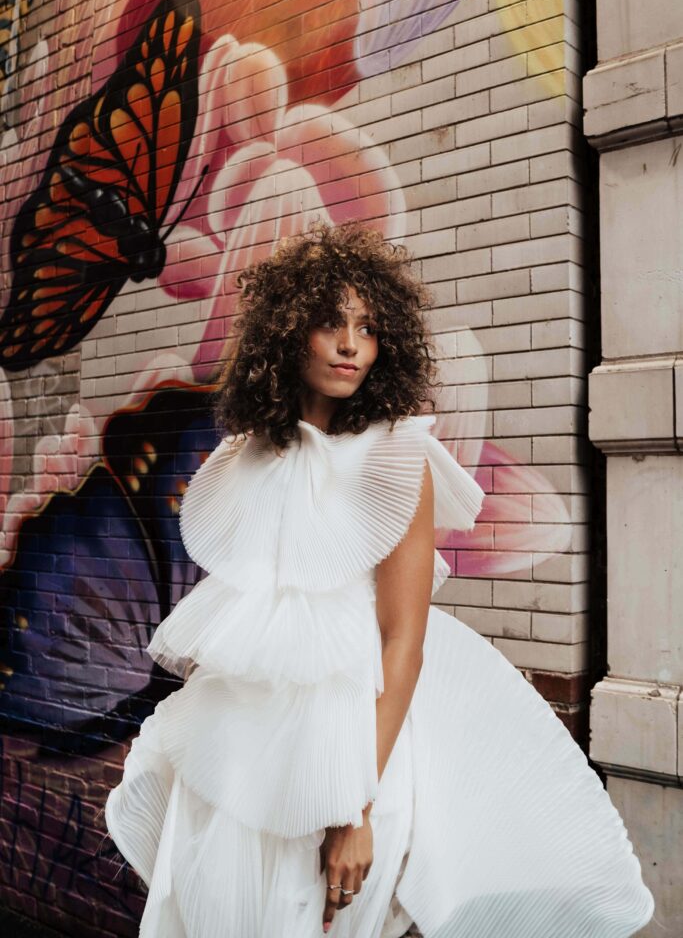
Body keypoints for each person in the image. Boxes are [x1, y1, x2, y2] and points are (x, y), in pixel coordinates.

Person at [105, 220, 655, 938]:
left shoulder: (397, 459)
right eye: (330, 323)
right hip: (232, 760)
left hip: (348, 760)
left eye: (366, 329)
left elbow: (402, 644)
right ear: (285, 334)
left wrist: (352, 809)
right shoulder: (243, 459)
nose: (349, 345)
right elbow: (240, 626)